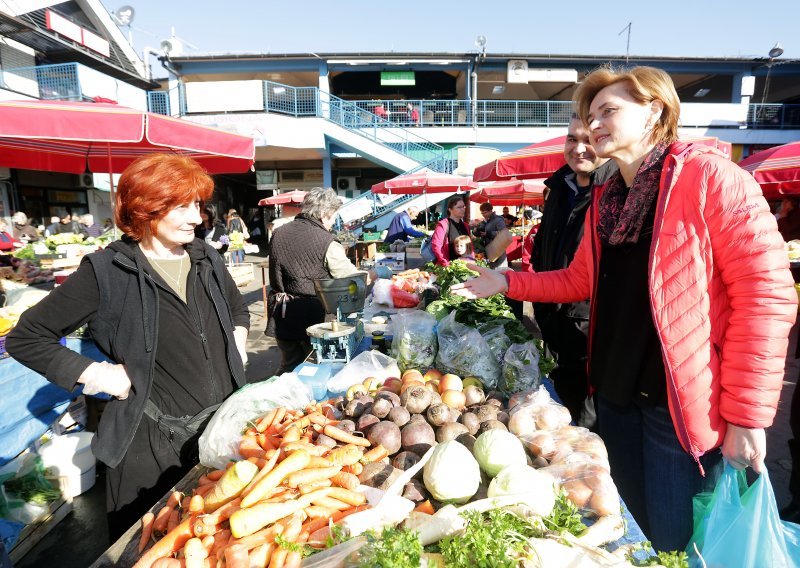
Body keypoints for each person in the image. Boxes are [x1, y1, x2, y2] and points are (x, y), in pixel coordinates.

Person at [450, 65, 797, 552]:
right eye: (590, 116)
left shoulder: (711, 177)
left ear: (655, 110)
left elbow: (764, 296)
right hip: (613, 394)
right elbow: (579, 280)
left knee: (680, 543)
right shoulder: (608, 199)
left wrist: (748, 415)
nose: (594, 126)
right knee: (632, 532)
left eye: (608, 111)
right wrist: (506, 281)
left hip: (676, 407)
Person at [6, 154, 249, 540]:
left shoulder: (207, 259)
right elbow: (27, 337)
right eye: (181, 206)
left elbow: (237, 309)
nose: (197, 217)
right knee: (150, 545)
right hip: (149, 446)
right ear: (146, 209)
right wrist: (97, 374)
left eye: (198, 205)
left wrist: (237, 342)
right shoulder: (105, 272)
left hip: (222, 430)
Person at [523, 115, 617, 429]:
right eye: (571, 139)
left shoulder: (616, 191)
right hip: (552, 321)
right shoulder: (558, 189)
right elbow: (544, 253)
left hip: (590, 331)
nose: (579, 148)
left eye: (588, 140)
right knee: (560, 410)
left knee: (589, 422)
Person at [266, 187, 392, 374]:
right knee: (314, 370)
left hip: (281, 314)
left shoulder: (279, 233)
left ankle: (279, 399)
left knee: (288, 367)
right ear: (324, 214)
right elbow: (352, 279)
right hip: (312, 319)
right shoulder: (326, 242)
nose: (333, 223)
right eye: (333, 217)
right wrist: (376, 272)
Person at [430, 196, 470, 266]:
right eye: (459, 207)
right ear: (450, 209)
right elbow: (436, 246)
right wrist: (445, 263)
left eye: (463, 207)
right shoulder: (443, 225)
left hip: (464, 266)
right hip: (448, 266)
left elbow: (469, 245)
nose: (463, 209)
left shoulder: (466, 226)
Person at [475, 202, 508, 269]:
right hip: (489, 249)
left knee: (500, 270)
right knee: (492, 270)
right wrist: (475, 231)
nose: (483, 215)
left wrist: (488, 234)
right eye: (482, 213)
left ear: (490, 211)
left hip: (499, 249)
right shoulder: (485, 221)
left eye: (485, 212)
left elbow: (503, 233)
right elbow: (479, 233)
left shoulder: (498, 219)